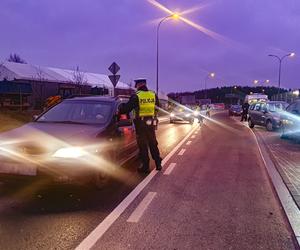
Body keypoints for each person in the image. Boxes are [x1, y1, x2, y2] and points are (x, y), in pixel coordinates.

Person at [119, 78, 162, 174]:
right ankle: (158, 163)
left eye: (136, 85)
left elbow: (126, 109)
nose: (136, 87)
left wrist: (120, 108)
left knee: (143, 146)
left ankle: (145, 167)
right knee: (153, 143)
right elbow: (158, 107)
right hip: (151, 122)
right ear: (145, 84)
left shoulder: (136, 96)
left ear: (138, 85)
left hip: (140, 124)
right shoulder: (153, 94)